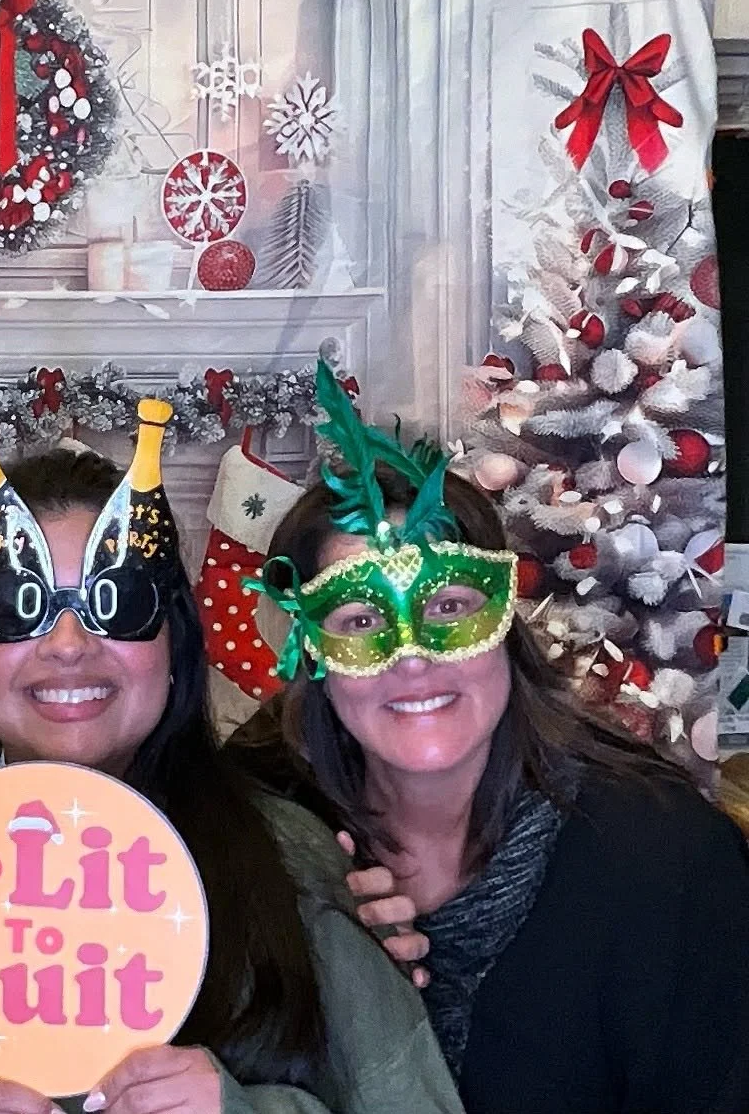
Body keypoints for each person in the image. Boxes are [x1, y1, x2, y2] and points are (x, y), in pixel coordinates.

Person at [0, 400, 463, 1114]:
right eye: (17, 608)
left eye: (118, 603)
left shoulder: (289, 853)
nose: (68, 646)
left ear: (174, 646)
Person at [247, 361, 749, 1114]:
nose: (412, 654)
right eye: (361, 620)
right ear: (314, 654)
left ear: (504, 623)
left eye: (449, 606)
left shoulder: (665, 858)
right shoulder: (250, 839)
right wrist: (335, 972)